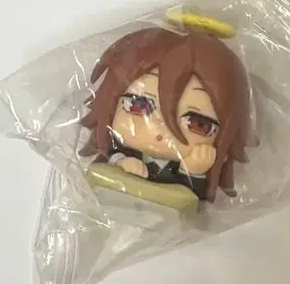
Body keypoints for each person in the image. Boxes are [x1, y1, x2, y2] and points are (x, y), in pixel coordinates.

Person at [80, 26, 250, 203]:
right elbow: (102, 167)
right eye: (138, 105)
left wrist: (193, 172)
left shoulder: (187, 168)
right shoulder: (118, 150)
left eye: (197, 124)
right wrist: (119, 164)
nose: (160, 129)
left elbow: (193, 202)